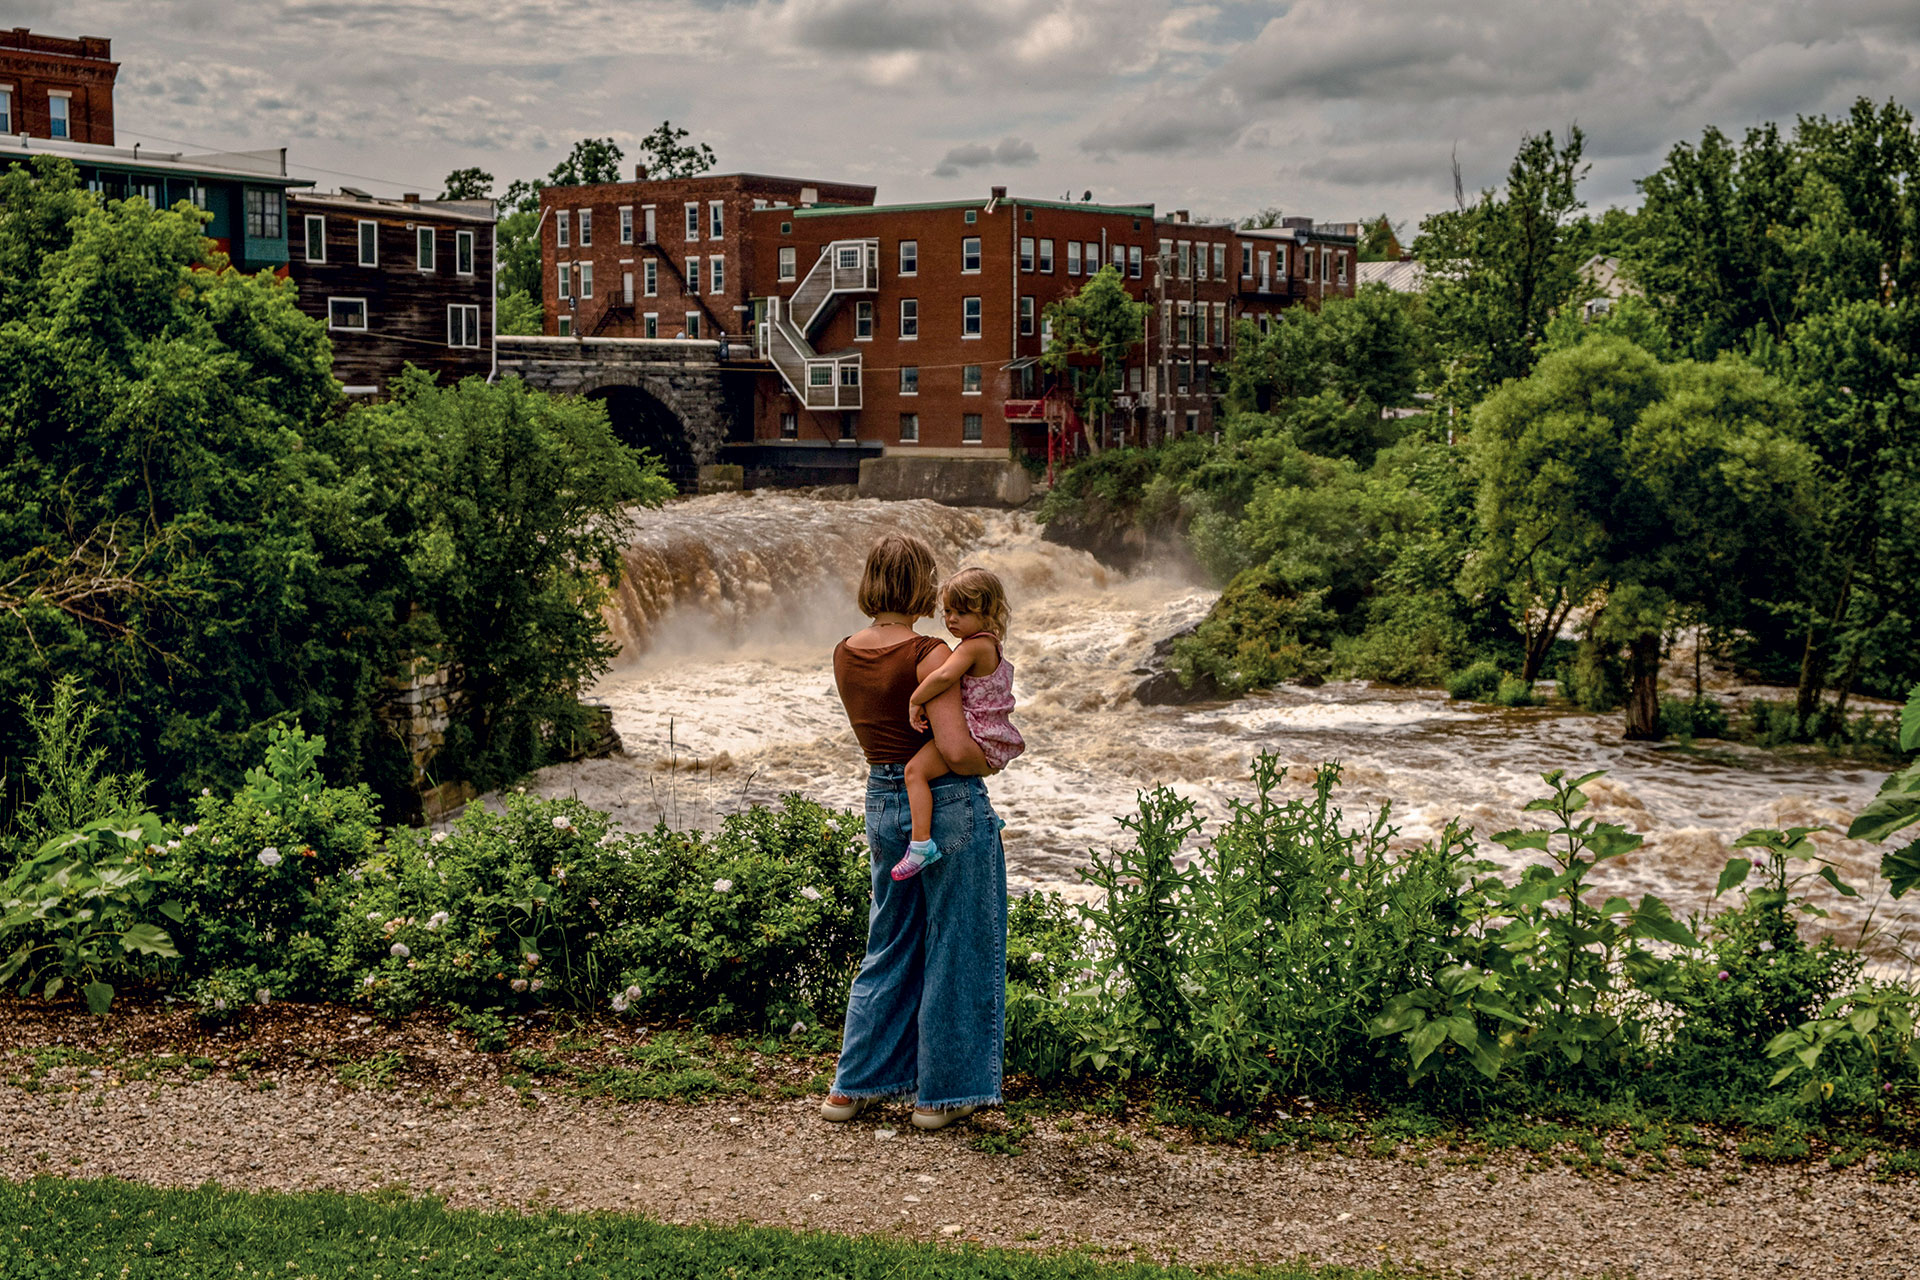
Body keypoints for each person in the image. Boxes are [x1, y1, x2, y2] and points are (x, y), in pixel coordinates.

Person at [823, 533, 1006, 1131]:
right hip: (947, 804)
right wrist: (996, 757)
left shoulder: (844, 651)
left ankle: (853, 1088)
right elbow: (955, 750)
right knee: (959, 946)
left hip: (881, 801)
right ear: (922, 585)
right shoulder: (931, 653)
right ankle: (943, 1097)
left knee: (889, 943)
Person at [894, 567, 1024, 880]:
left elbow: (944, 676)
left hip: (978, 740)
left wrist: (915, 699)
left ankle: (921, 845)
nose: (952, 620)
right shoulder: (988, 644)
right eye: (948, 611)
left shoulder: (973, 646)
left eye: (962, 612)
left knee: (915, 771)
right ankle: (985, 818)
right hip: (987, 740)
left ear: (988, 612)